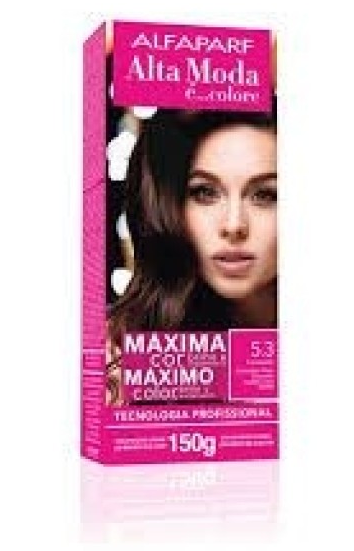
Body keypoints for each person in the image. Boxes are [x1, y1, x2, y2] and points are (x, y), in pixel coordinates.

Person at [106, 101, 277, 405]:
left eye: (265, 195)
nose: (234, 226)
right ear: (166, 205)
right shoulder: (114, 355)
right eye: (204, 193)